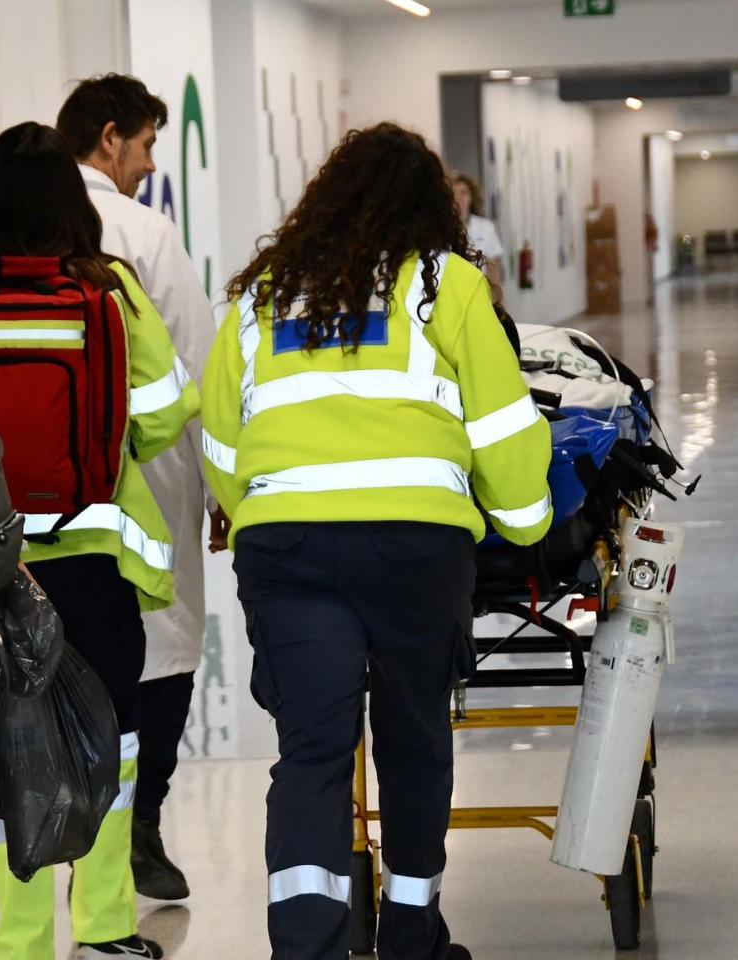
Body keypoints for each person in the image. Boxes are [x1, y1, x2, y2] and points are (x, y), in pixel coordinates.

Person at [201, 123, 554, 960]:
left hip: (286, 551)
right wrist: (527, 523)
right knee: (413, 739)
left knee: (313, 751)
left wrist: (258, 503)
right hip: (412, 550)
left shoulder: (261, 298)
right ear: (430, 207)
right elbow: (504, 429)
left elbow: (219, 444)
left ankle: (306, 945)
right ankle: (409, 936)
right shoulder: (448, 285)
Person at [0, 122, 197, 960]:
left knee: (1, 746)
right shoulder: (108, 292)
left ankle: (19, 939)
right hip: (91, 558)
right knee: (111, 746)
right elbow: (157, 423)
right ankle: (108, 928)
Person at [57, 73, 217, 902]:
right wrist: (225, 491)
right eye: (149, 144)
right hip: (145, 480)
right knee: (163, 647)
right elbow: (196, 364)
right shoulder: (142, 231)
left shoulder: (9, 229)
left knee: (60, 654)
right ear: (110, 136)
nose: (151, 163)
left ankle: (62, 825)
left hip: (38, 496)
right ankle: (138, 825)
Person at [450, 172, 505, 303]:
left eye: (463, 192)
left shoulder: (485, 227)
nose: (459, 198)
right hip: (453, 294)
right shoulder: (442, 229)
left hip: (480, 294)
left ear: (471, 198)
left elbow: (493, 268)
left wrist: (498, 304)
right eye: (454, 192)